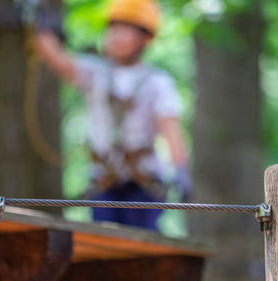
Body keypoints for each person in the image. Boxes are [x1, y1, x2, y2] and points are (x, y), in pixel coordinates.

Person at [33, 0, 191, 231]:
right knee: (105, 248)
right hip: (104, 182)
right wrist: (40, 27)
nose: (115, 36)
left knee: (141, 247)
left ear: (144, 39)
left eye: (124, 30)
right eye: (113, 29)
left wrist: (181, 170)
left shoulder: (158, 83)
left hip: (143, 183)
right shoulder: (95, 73)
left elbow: (171, 130)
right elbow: (58, 60)